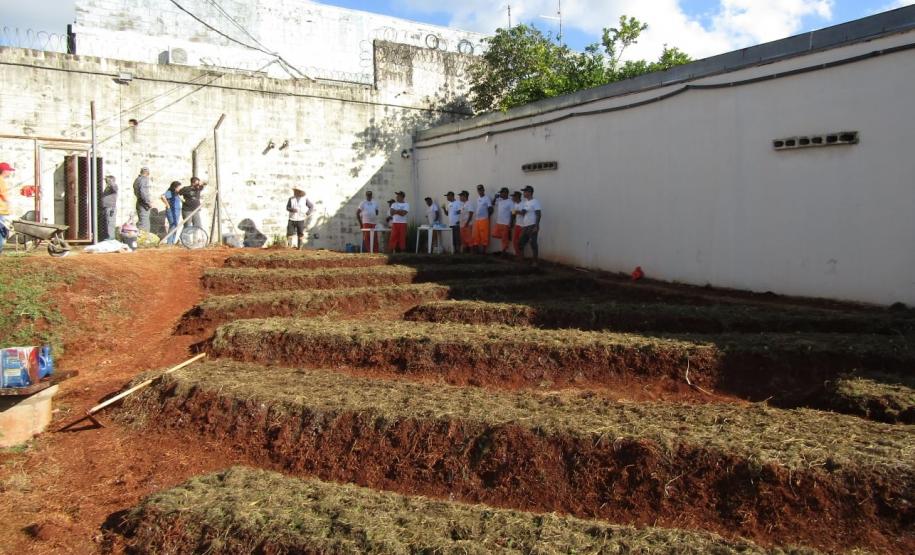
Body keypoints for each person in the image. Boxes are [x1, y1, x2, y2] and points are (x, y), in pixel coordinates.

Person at [517, 185, 542, 266]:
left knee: (533, 243)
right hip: (525, 226)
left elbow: (538, 214)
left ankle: (535, 262)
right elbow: (523, 212)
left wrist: (536, 226)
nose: (523, 193)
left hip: (532, 225)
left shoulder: (535, 202)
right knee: (520, 243)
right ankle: (521, 260)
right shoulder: (526, 202)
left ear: (529, 192)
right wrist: (517, 211)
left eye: (525, 191)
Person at [492, 187, 513, 255]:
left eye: (501, 192)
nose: (500, 194)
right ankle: (508, 237)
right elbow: (493, 203)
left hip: (505, 223)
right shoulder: (500, 200)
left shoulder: (510, 202)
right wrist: (495, 197)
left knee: (504, 239)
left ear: (506, 193)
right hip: (499, 222)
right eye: (500, 192)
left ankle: (503, 252)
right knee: (494, 234)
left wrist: (511, 222)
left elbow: (513, 213)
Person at [472, 184, 493, 254]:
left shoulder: (487, 198)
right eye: (478, 190)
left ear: (483, 190)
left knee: (484, 235)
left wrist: (488, 217)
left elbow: (490, 209)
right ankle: (477, 250)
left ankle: (484, 251)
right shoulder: (478, 198)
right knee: (476, 235)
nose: (480, 191)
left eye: (481, 190)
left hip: (484, 219)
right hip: (477, 219)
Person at [160, 181, 183, 245]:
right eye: (178, 187)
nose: (179, 189)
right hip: (171, 211)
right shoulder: (169, 192)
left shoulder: (176, 193)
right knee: (172, 225)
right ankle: (169, 242)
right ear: (174, 187)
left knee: (175, 225)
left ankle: (172, 241)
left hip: (177, 211)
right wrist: (168, 205)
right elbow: (162, 197)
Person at [133, 167, 151, 232]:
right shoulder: (144, 179)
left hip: (139, 201)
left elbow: (136, 192)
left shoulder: (137, 179)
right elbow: (143, 192)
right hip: (143, 203)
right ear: (147, 173)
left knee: (141, 221)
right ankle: (143, 239)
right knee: (144, 223)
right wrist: (148, 202)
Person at [0, 162, 13, 254]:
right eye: (9, 170)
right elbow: (3, 194)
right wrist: (9, 203)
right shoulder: (1, 181)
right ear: (4, 171)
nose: (10, 172)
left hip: (3, 211)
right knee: (2, 232)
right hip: (1, 210)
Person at [100, 175, 118, 241]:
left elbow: (114, 189)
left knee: (110, 223)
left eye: (107, 180)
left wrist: (110, 181)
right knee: (107, 223)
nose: (106, 181)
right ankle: (108, 237)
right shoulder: (107, 187)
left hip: (111, 208)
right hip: (106, 207)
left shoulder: (114, 186)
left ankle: (111, 238)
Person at [510, 190, 523, 255]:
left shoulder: (523, 204)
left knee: (521, 241)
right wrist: (512, 222)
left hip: (523, 226)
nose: (512, 198)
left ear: (517, 197)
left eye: (513, 197)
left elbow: (524, 213)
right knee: (515, 241)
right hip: (517, 225)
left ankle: (521, 256)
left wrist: (517, 212)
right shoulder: (514, 204)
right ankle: (518, 255)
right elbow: (513, 214)